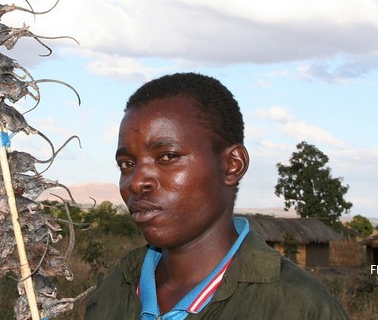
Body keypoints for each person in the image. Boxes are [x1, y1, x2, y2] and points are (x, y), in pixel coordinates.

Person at [85, 72, 349, 319]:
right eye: (127, 164)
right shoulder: (113, 292)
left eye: (167, 157)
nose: (136, 181)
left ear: (232, 164)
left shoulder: (298, 308)